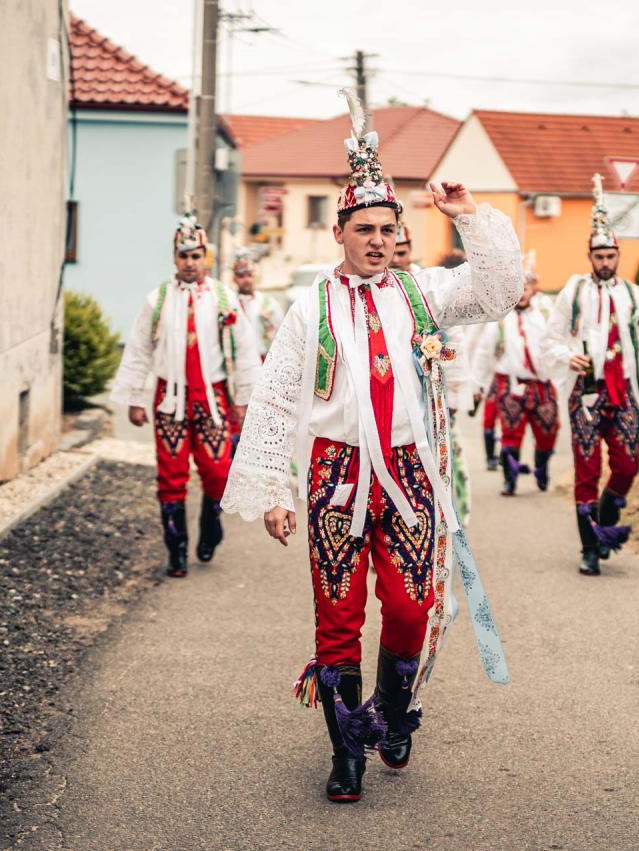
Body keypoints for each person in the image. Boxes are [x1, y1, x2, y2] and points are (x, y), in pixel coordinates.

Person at [221, 90, 517, 804]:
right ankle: (347, 752)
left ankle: (390, 707)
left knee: (412, 609)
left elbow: (499, 291)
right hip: (337, 477)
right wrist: (274, 489)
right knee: (337, 618)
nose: (379, 240)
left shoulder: (424, 295)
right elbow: (275, 398)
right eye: (365, 229)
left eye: (388, 228)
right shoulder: (309, 309)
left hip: (409, 476)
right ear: (340, 233)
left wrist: (468, 216)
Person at [111, 212, 262, 577]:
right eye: (184, 256)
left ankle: (211, 525)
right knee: (171, 475)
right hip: (170, 400)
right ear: (174, 258)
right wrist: (134, 398)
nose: (190, 263)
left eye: (196, 256)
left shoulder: (224, 299)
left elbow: (244, 350)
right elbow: (139, 349)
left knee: (218, 472)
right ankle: (176, 549)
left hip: (213, 399)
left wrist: (244, 399)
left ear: (204, 257)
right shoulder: (157, 300)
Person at [544, 174, 639, 576]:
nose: (605, 263)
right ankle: (589, 549)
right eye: (599, 256)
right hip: (585, 393)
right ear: (589, 256)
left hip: (624, 391)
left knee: (628, 466)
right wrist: (568, 356)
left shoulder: (634, 295)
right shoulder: (574, 291)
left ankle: (606, 520)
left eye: (610, 255)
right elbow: (551, 339)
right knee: (587, 471)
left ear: (618, 255)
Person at [472, 255, 558, 495]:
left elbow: (558, 344)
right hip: (510, 385)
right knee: (510, 435)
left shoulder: (545, 315)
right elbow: (483, 353)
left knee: (548, 433)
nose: (521, 293)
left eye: (525, 288)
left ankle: (542, 466)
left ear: (532, 289)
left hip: (541, 385)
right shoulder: (500, 321)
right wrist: (478, 384)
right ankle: (509, 480)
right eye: (516, 289)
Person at [232, 248, 284, 354]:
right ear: (234, 278)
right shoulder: (230, 303)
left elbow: (282, 335)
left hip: (263, 359)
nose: (246, 280)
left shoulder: (269, 303)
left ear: (255, 276)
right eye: (241, 276)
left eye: (249, 275)